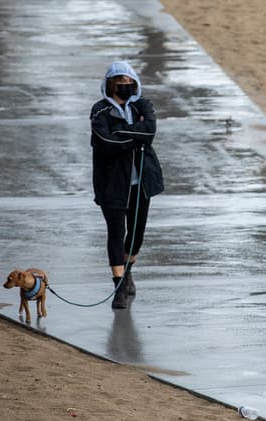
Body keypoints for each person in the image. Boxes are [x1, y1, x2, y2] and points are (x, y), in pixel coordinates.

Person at [90, 61, 164, 309]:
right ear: (110, 84)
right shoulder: (100, 111)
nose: (125, 86)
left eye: (129, 82)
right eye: (120, 82)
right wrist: (134, 134)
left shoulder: (144, 105)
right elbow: (104, 142)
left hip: (141, 182)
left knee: (136, 235)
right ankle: (118, 286)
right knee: (116, 233)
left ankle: (128, 269)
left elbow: (150, 132)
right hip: (111, 184)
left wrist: (122, 133)